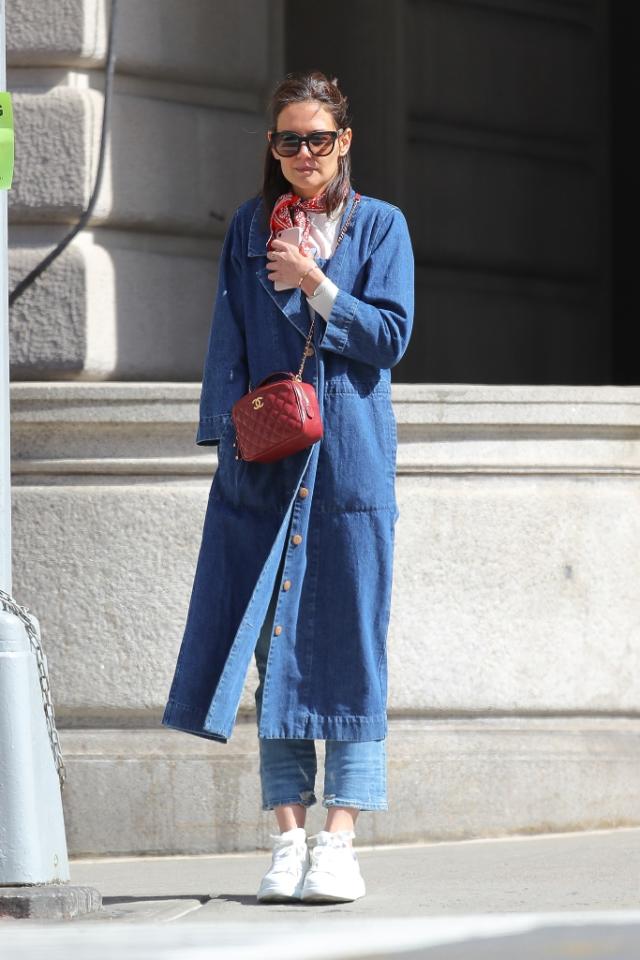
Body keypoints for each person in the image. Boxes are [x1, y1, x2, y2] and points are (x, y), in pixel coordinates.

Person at [161, 70, 414, 905]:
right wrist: (226, 442)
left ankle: (339, 845)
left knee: (350, 646)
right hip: (264, 465)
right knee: (270, 653)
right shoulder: (247, 227)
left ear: (344, 141)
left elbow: (389, 337)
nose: (301, 154)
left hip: (347, 465)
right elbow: (226, 336)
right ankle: (286, 838)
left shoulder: (379, 227)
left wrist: (316, 283)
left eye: (316, 138)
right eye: (286, 140)